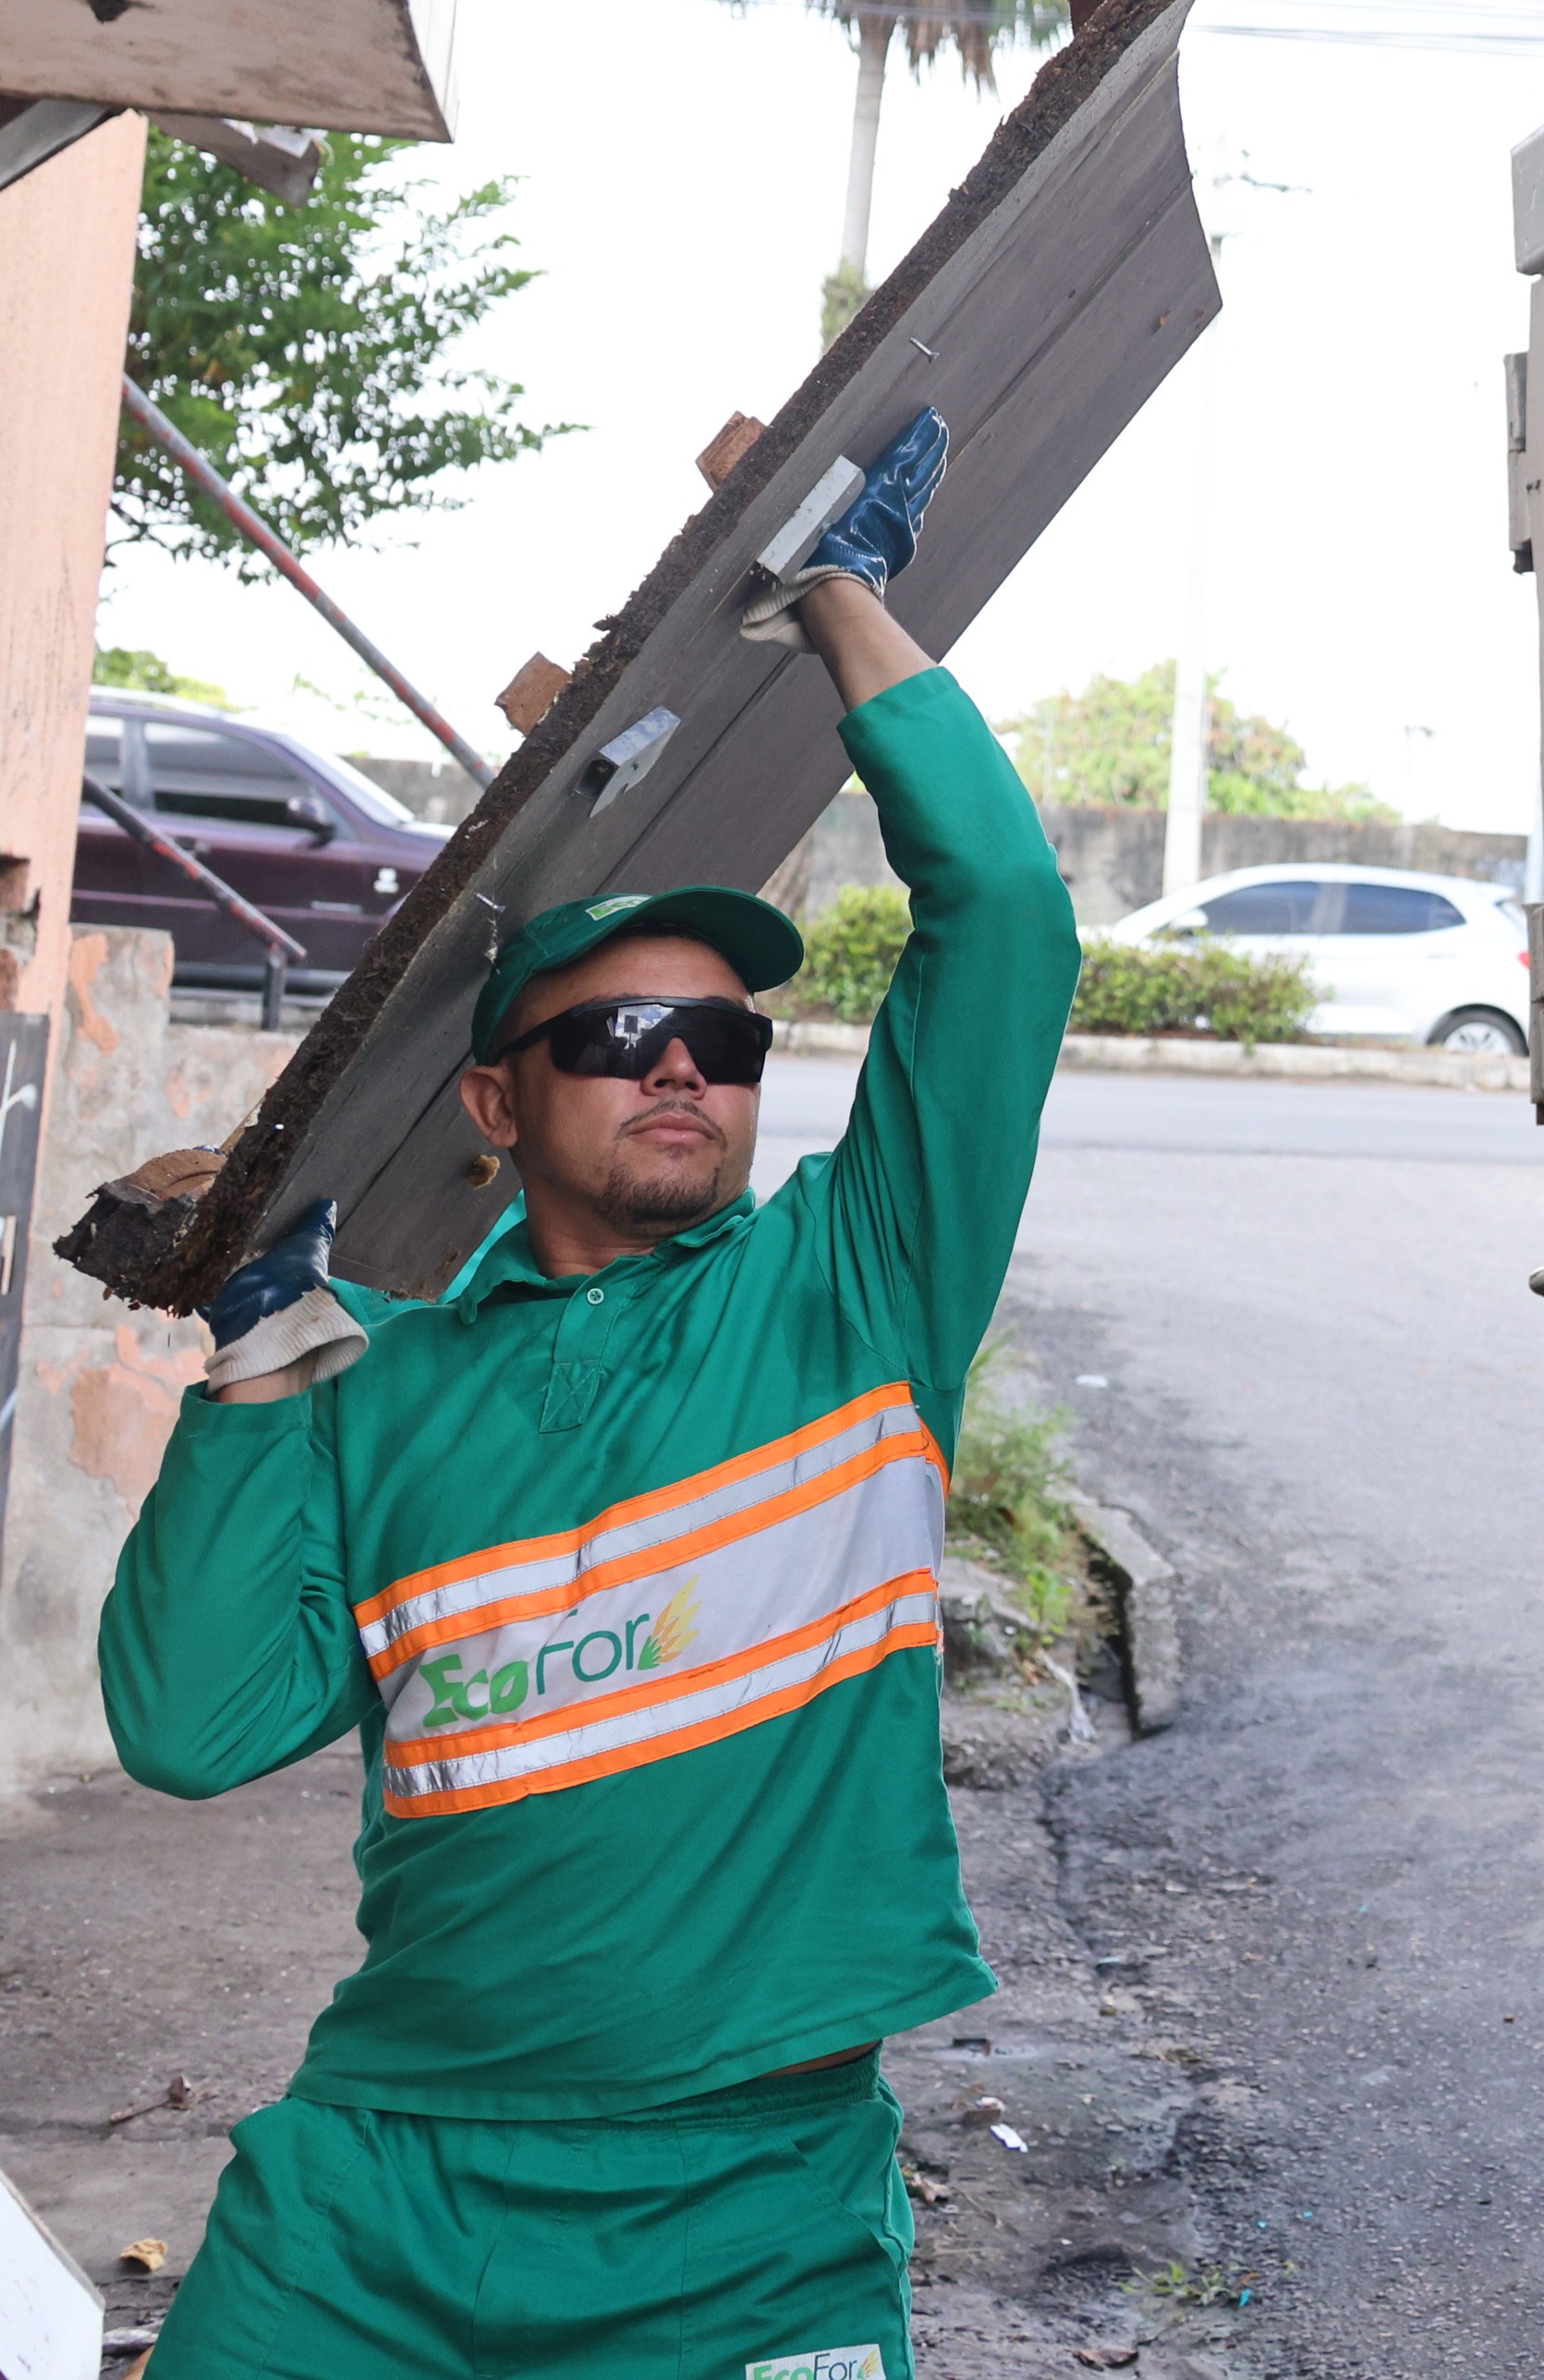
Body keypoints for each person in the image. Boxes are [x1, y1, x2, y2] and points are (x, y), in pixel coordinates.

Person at [109, 413, 1072, 2379]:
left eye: (724, 1036)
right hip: (380, 2198)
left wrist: (836, 600)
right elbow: (193, 1732)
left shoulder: (853, 1287)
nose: (684, 1066)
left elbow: (1008, 921)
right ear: (496, 1099)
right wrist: (262, 1363)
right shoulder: (383, 1387)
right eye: (623, 1032)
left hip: (753, 2209)